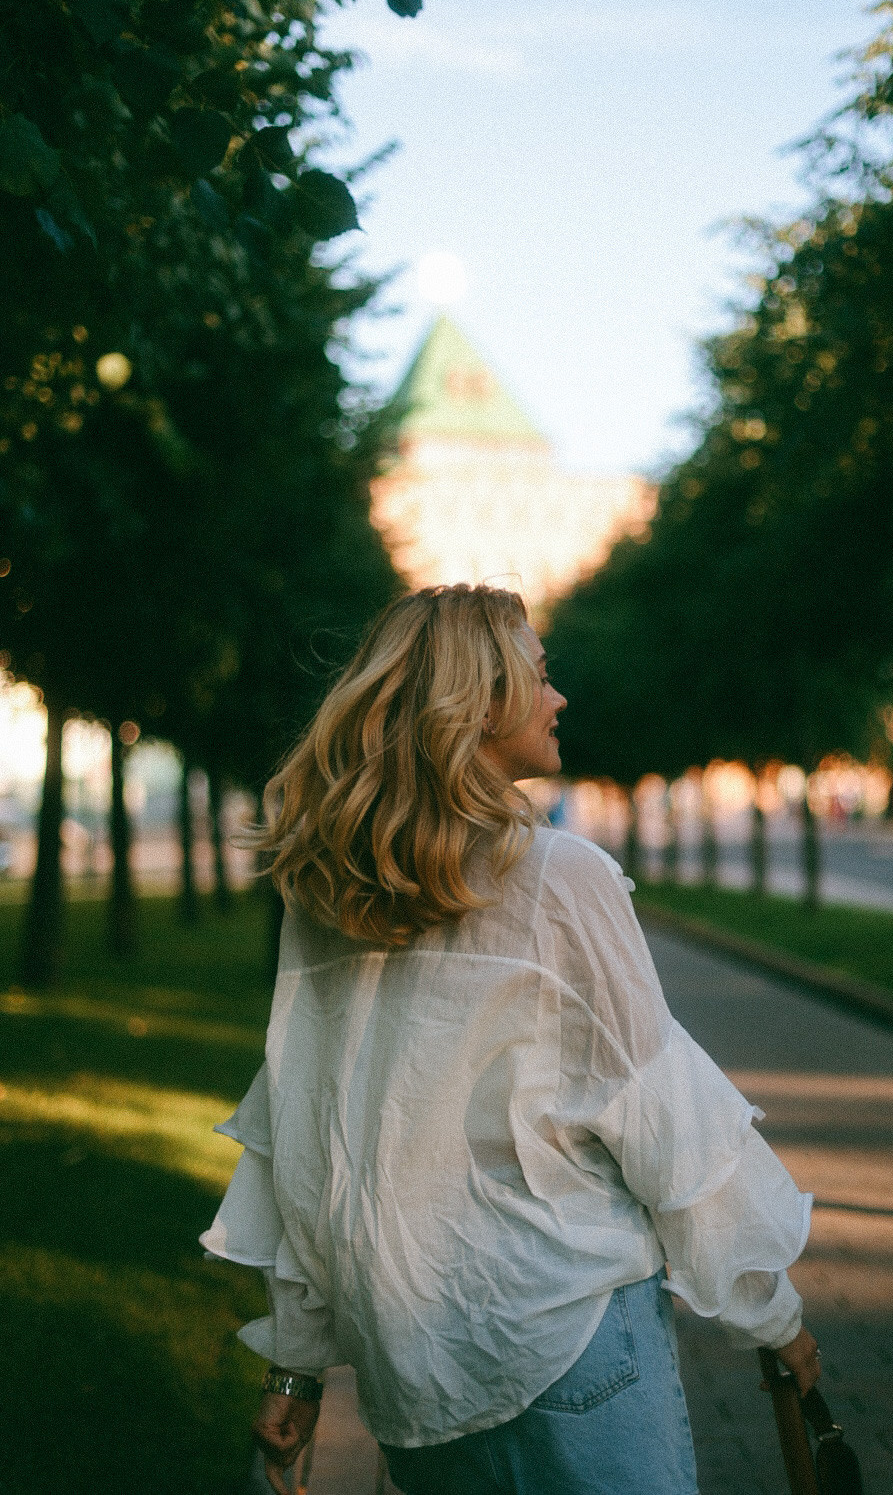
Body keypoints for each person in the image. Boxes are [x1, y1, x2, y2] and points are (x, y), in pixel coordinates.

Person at [201, 585, 819, 1495]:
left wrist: (295, 1363)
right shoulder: (560, 877)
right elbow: (662, 1121)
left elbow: (309, 1145)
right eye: (538, 677)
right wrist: (771, 1314)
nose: (557, 698)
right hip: (568, 1343)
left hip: (411, 1370)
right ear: (476, 703)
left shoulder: (329, 893)